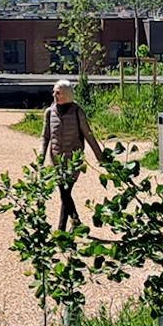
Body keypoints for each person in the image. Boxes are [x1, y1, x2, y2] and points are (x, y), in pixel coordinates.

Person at [40, 79, 105, 232]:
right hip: (56, 160)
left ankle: (64, 227)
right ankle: (71, 225)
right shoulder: (50, 112)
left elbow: (88, 135)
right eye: (54, 92)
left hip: (73, 160)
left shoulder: (77, 111)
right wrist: (41, 157)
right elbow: (45, 136)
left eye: (58, 92)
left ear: (67, 95)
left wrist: (101, 158)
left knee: (65, 191)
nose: (54, 95)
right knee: (65, 191)